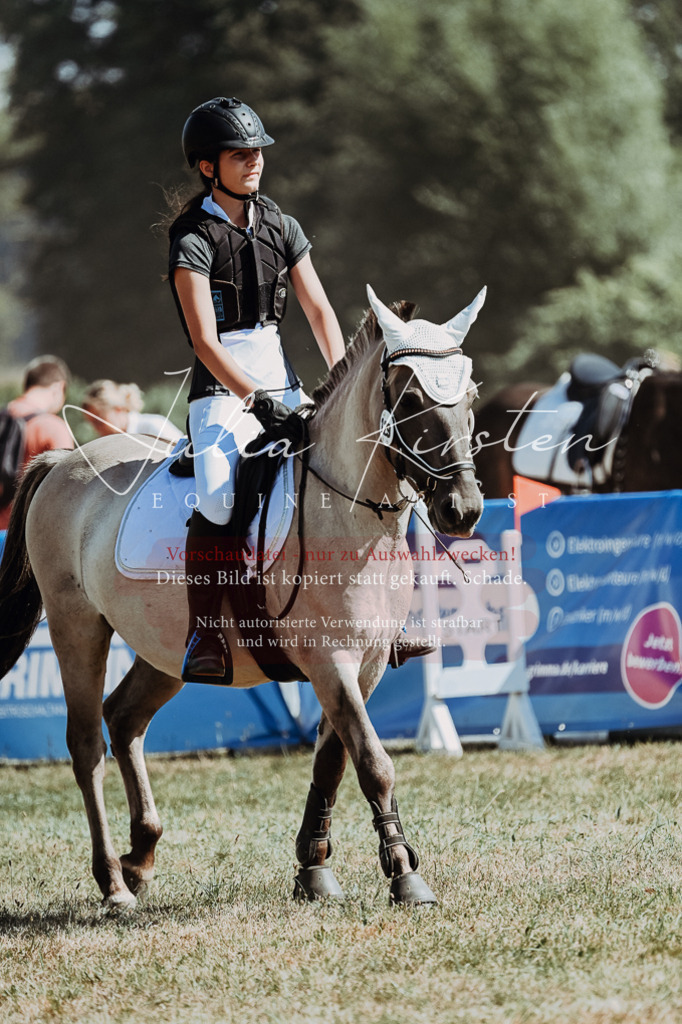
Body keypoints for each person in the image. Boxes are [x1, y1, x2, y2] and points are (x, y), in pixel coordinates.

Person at [168, 96, 346, 684]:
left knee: (347, 470)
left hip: (284, 378)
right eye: (240, 154)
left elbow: (319, 310)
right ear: (207, 166)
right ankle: (205, 632)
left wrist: (340, 381)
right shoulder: (192, 236)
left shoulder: (281, 224)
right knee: (218, 496)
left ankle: (381, 618)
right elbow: (203, 340)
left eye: (258, 152)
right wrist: (255, 399)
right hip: (221, 391)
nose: (255, 162)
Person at [0, 355, 74, 531]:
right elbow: (66, 487)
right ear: (59, 387)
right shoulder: (52, 426)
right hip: (24, 537)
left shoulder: (4, 416)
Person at [82, 379, 183, 444]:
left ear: (118, 409)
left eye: (98, 421)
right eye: (91, 423)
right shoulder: (109, 443)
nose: (96, 429)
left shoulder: (154, 426)